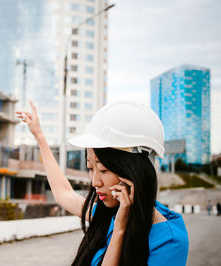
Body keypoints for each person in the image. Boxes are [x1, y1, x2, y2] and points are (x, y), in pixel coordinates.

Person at [16, 101, 189, 266]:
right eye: (90, 168)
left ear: (134, 170)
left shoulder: (169, 241)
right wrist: (39, 136)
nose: (95, 182)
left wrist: (120, 228)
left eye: (104, 170)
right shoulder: (108, 213)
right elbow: (63, 193)